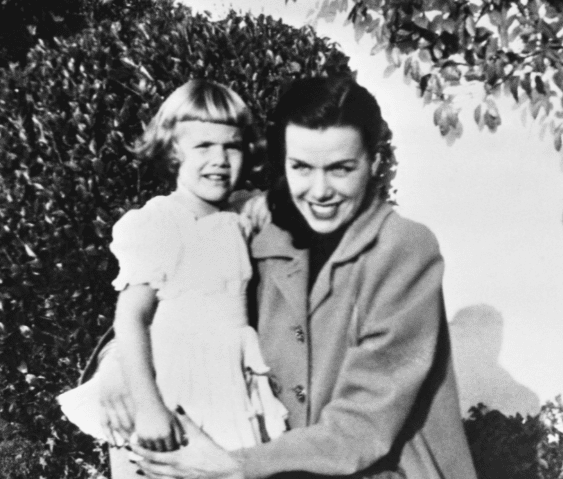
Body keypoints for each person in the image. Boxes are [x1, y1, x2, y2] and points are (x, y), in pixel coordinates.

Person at [85, 75, 478, 478]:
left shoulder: (402, 249)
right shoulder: (248, 229)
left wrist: (233, 467)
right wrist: (117, 369)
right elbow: (179, 306)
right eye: (302, 168)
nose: (320, 190)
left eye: (341, 169)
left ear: (374, 164)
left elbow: (361, 427)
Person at [57, 80, 287, 476]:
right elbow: (131, 318)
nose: (220, 159)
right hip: (173, 387)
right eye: (203, 146)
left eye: (231, 146)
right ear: (173, 151)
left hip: (228, 384)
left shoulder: (237, 216)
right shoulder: (160, 222)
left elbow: (278, 200)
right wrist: (149, 409)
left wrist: (268, 199)